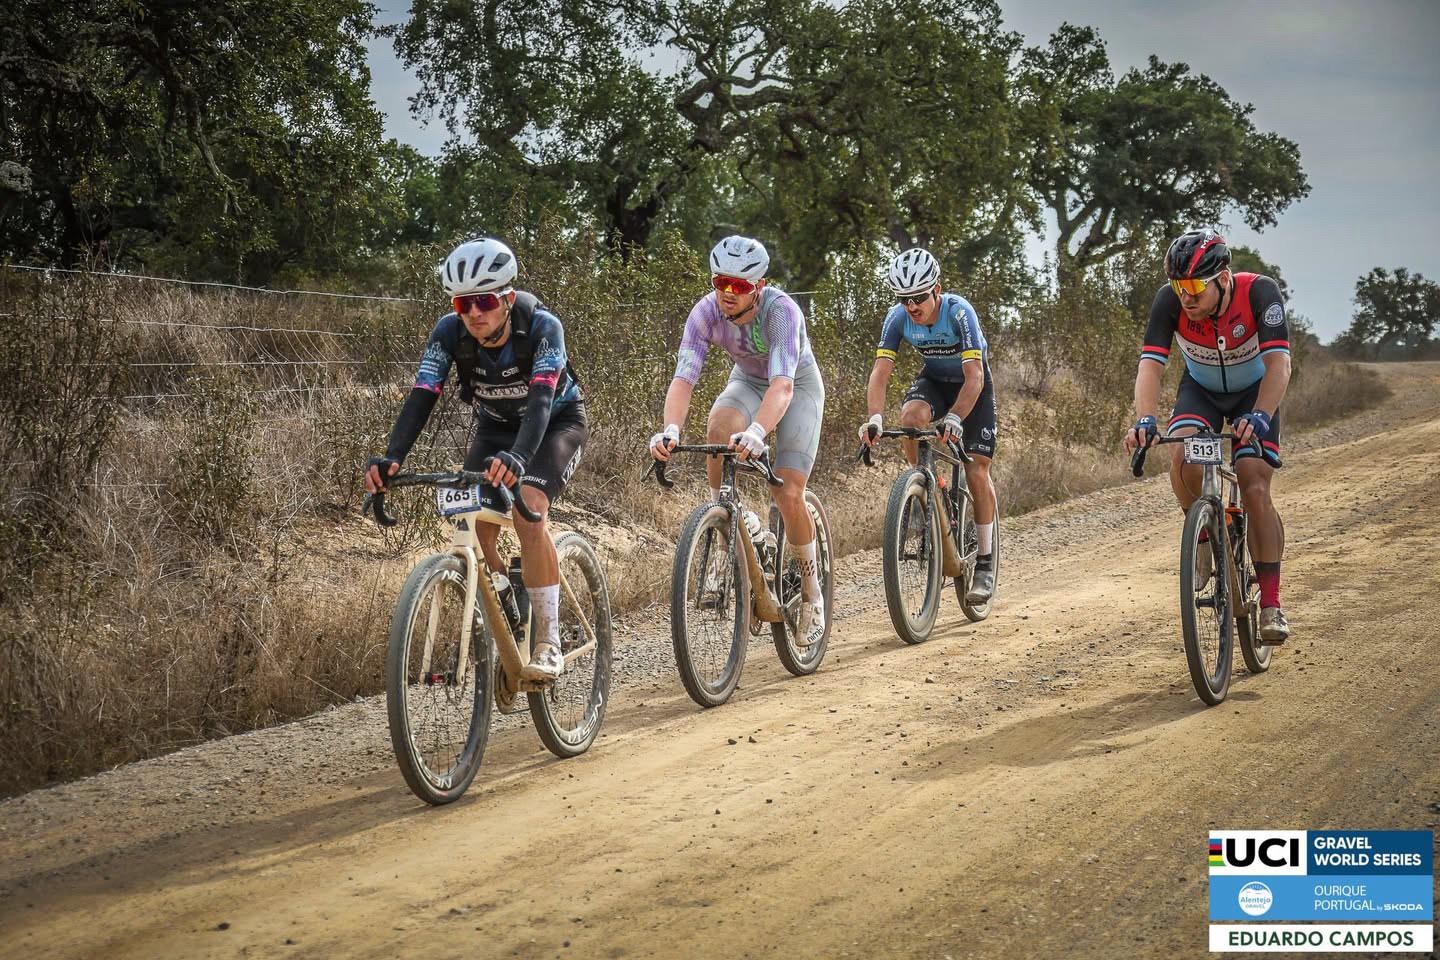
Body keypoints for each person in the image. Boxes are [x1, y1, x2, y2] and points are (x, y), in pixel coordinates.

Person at [364, 237, 586, 679]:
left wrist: (520, 457)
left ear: (507, 298)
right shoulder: (449, 332)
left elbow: (542, 400)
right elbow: (422, 395)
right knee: (475, 520)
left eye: (484, 301)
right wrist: (393, 457)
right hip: (495, 428)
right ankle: (507, 595)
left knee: (529, 512)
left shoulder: (543, 327)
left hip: (555, 424)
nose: (473, 313)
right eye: (462, 304)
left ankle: (548, 639)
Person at [648, 235, 828, 647]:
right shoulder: (705, 312)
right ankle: (726, 523)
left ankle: (812, 592)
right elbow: (683, 379)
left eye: (740, 286)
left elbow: (783, 387)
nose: (728, 293)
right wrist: (671, 429)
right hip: (747, 380)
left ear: (759, 286)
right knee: (718, 428)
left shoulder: (781, 312)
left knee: (787, 490)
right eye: (720, 282)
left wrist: (758, 431)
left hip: (795, 385)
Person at [1122, 229, 1292, 642]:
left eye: (1196, 287)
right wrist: (1145, 419)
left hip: (1254, 394)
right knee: (1183, 458)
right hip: (1201, 392)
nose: (1186, 297)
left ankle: (1271, 604)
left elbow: (1279, 365)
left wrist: (1261, 415)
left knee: (1253, 484)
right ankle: (1202, 533)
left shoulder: (1260, 293)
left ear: (1224, 278)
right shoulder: (1169, 302)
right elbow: (1150, 366)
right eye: (1179, 286)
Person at [858, 247, 999, 602]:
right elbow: (880, 373)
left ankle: (985, 561)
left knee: (976, 469)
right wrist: (874, 417)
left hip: (972, 386)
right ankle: (930, 488)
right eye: (904, 299)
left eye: (919, 297)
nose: (912, 306)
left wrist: (955, 417)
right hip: (935, 381)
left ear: (936, 289)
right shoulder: (897, 318)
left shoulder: (959, 312)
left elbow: (975, 376)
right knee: (910, 419)